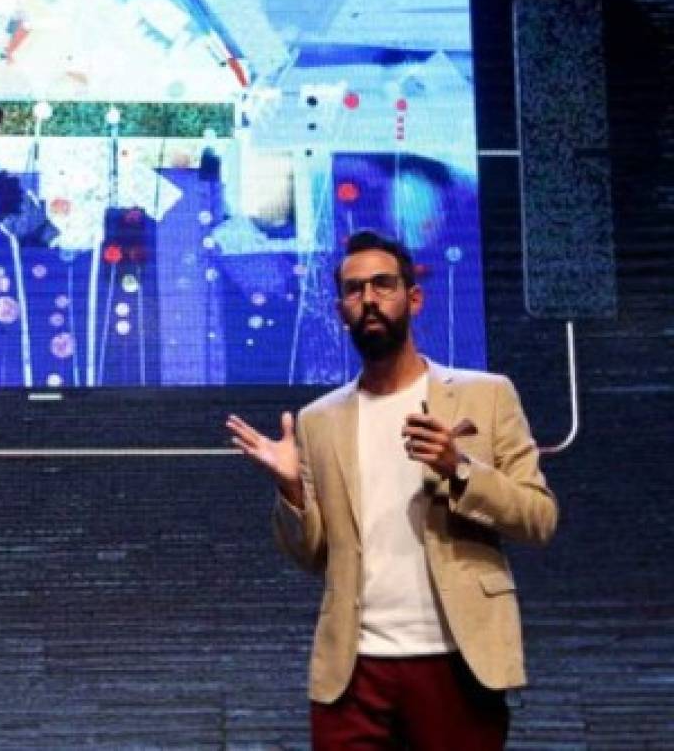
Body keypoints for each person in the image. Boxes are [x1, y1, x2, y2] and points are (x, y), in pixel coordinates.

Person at [226, 230, 558, 750]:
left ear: (414, 297)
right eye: (355, 291)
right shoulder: (319, 421)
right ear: (341, 310)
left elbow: (538, 518)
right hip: (354, 670)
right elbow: (314, 554)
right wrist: (290, 489)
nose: (370, 300)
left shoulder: (487, 395)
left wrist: (460, 469)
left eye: (383, 285)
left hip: (457, 659)